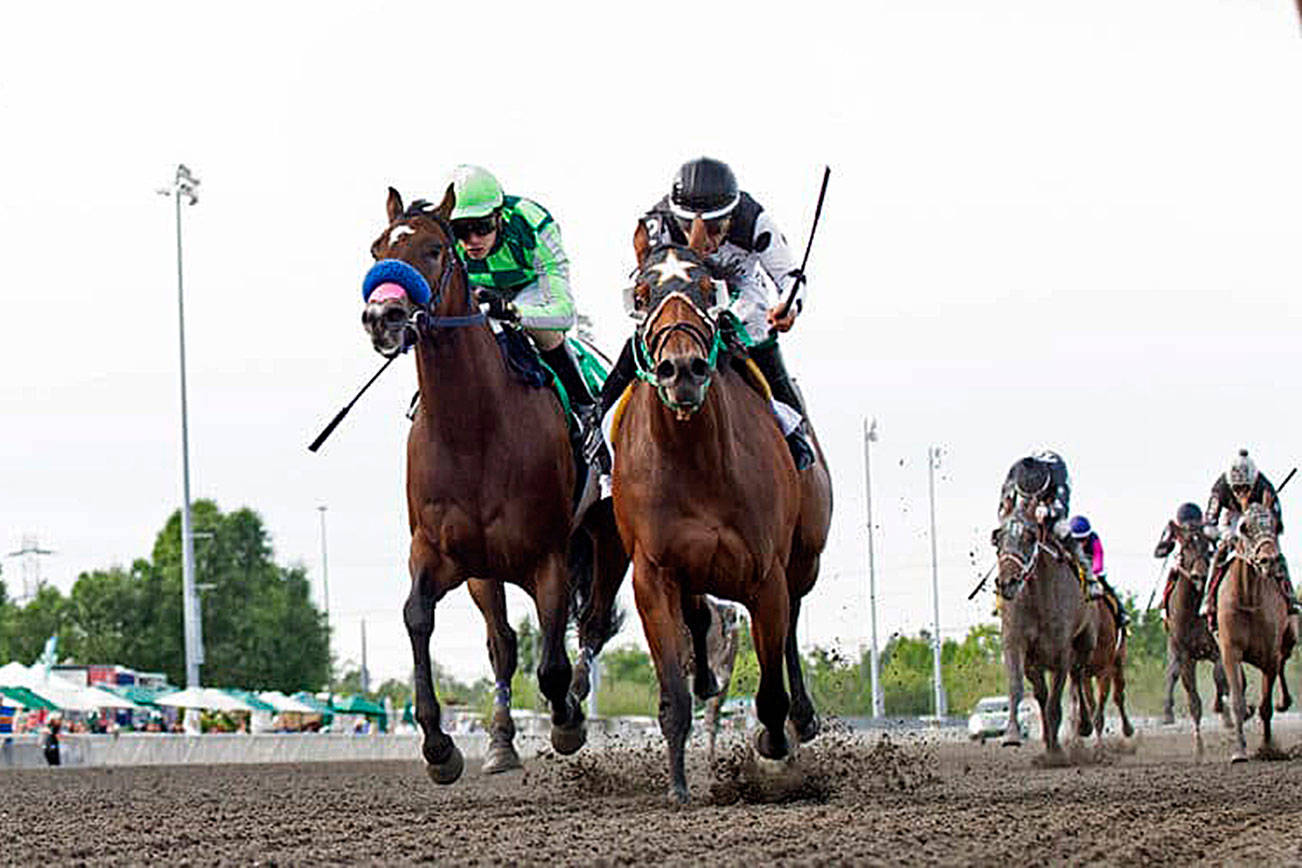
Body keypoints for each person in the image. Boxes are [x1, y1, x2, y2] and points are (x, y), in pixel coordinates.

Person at [595, 157, 816, 471]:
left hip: (742, 294)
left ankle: (795, 429)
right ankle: (599, 424)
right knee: (644, 340)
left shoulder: (754, 221)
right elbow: (649, 285)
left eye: (715, 228)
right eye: (691, 228)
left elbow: (790, 276)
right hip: (685, 298)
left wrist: (789, 306)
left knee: (758, 335)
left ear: (730, 215)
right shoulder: (658, 224)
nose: (705, 239)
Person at [446, 164, 600, 457]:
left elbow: (564, 313)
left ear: (499, 216)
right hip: (476, 293)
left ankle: (586, 407)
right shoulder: (447, 241)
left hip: (529, 289)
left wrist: (513, 312)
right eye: (462, 231)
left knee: (547, 332)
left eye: (482, 227)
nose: (472, 241)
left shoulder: (532, 224)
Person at [1201, 449, 1299, 626]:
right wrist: (1224, 536)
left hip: (1259, 520)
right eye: (1237, 489)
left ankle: (1289, 595)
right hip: (1231, 519)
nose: (1241, 492)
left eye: (1246, 488)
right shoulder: (1220, 488)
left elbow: (1277, 524)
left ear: (1253, 482)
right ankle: (1208, 599)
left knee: (1277, 555)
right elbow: (1209, 521)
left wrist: (1266, 535)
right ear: (1230, 484)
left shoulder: (1265, 487)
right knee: (1219, 555)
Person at [997, 450, 1071, 536]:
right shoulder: (1015, 472)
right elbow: (1003, 503)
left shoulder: (1059, 478)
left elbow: (1063, 509)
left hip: (1051, 496)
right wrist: (1005, 511)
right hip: (1025, 489)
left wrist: (1048, 511)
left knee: (1061, 528)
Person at [1154, 502, 1211, 614]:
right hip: (1182, 560)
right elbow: (1158, 553)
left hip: (1204, 560)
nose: (1190, 526)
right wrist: (1168, 544)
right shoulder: (1174, 529)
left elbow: (1216, 542)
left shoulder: (1206, 529)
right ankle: (1165, 601)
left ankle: (1210, 601)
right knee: (1173, 571)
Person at [1069, 515, 1127, 626]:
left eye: (1083, 540)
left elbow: (1098, 555)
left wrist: (1095, 572)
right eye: (1077, 541)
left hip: (1091, 568)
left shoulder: (1094, 539)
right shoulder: (1066, 541)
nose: (1080, 544)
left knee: (1106, 587)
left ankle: (1121, 613)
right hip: (1074, 565)